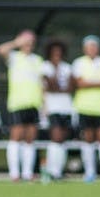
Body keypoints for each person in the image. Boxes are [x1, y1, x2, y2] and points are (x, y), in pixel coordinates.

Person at [0, 30, 44, 182]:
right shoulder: (14, 57)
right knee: (16, 137)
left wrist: (44, 104)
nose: (28, 44)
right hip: (17, 103)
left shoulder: (37, 60)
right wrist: (16, 42)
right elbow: (1, 50)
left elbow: (42, 84)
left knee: (30, 138)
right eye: (26, 41)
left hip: (33, 103)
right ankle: (14, 173)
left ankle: (27, 172)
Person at [72, 35, 100, 182]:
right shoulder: (78, 63)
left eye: (94, 46)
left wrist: (89, 82)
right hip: (84, 108)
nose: (92, 49)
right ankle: (90, 173)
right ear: (85, 48)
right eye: (89, 46)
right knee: (88, 141)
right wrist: (99, 82)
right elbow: (79, 83)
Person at [41, 39, 73, 180]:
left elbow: (71, 86)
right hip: (52, 107)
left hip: (66, 107)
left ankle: (58, 170)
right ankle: (51, 170)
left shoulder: (67, 67)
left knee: (62, 140)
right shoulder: (46, 66)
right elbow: (51, 85)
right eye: (54, 52)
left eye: (59, 52)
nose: (57, 54)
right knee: (55, 137)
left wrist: (62, 87)